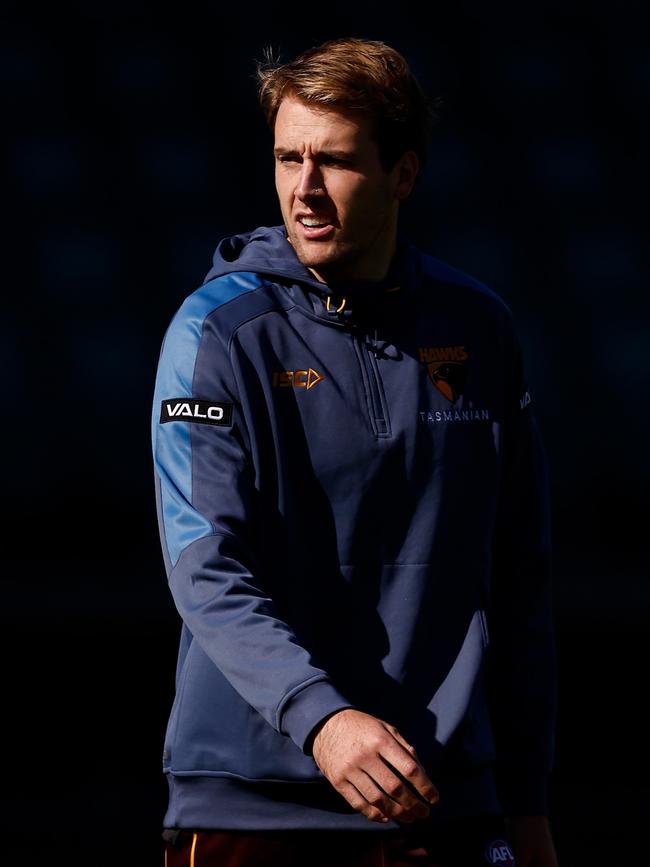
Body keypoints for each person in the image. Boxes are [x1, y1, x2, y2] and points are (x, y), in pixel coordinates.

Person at [151, 37, 559, 867]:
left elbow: (518, 577)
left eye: (332, 161)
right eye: (287, 157)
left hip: (446, 801)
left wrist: (526, 801)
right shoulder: (216, 332)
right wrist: (322, 717)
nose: (303, 190)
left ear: (403, 173)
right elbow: (206, 565)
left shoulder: (479, 329)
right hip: (255, 804)